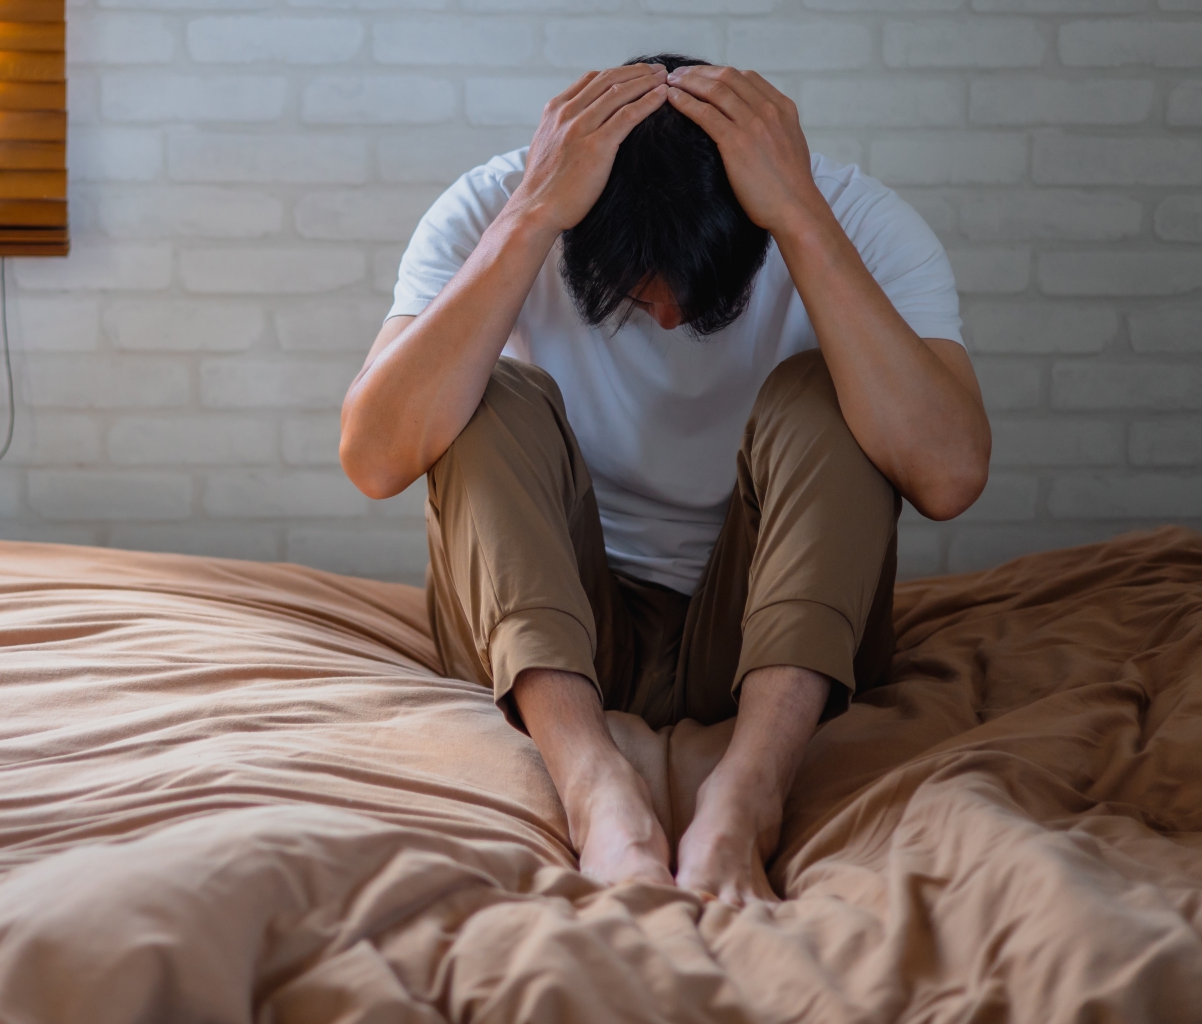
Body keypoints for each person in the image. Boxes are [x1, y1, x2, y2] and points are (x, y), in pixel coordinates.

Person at [338, 55, 991, 907]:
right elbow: (376, 459)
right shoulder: (498, 204)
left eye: (693, 292)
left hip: (767, 627)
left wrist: (798, 216)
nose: (674, 318)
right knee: (484, 396)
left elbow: (948, 477)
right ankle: (596, 792)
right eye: (640, 298)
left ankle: (747, 793)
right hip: (558, 631)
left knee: (833, 390)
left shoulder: (853, 216)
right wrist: (532, 215)